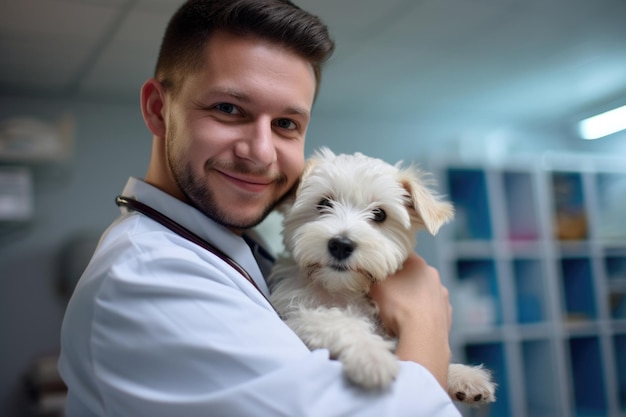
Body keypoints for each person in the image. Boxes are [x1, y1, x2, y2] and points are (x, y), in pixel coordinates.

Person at [58, 0, 460, 416]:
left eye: (286, 124)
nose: (261, 153)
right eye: (228, 109)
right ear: (159, 109)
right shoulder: (146, 277)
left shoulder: (234, 247)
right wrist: (424, 322)